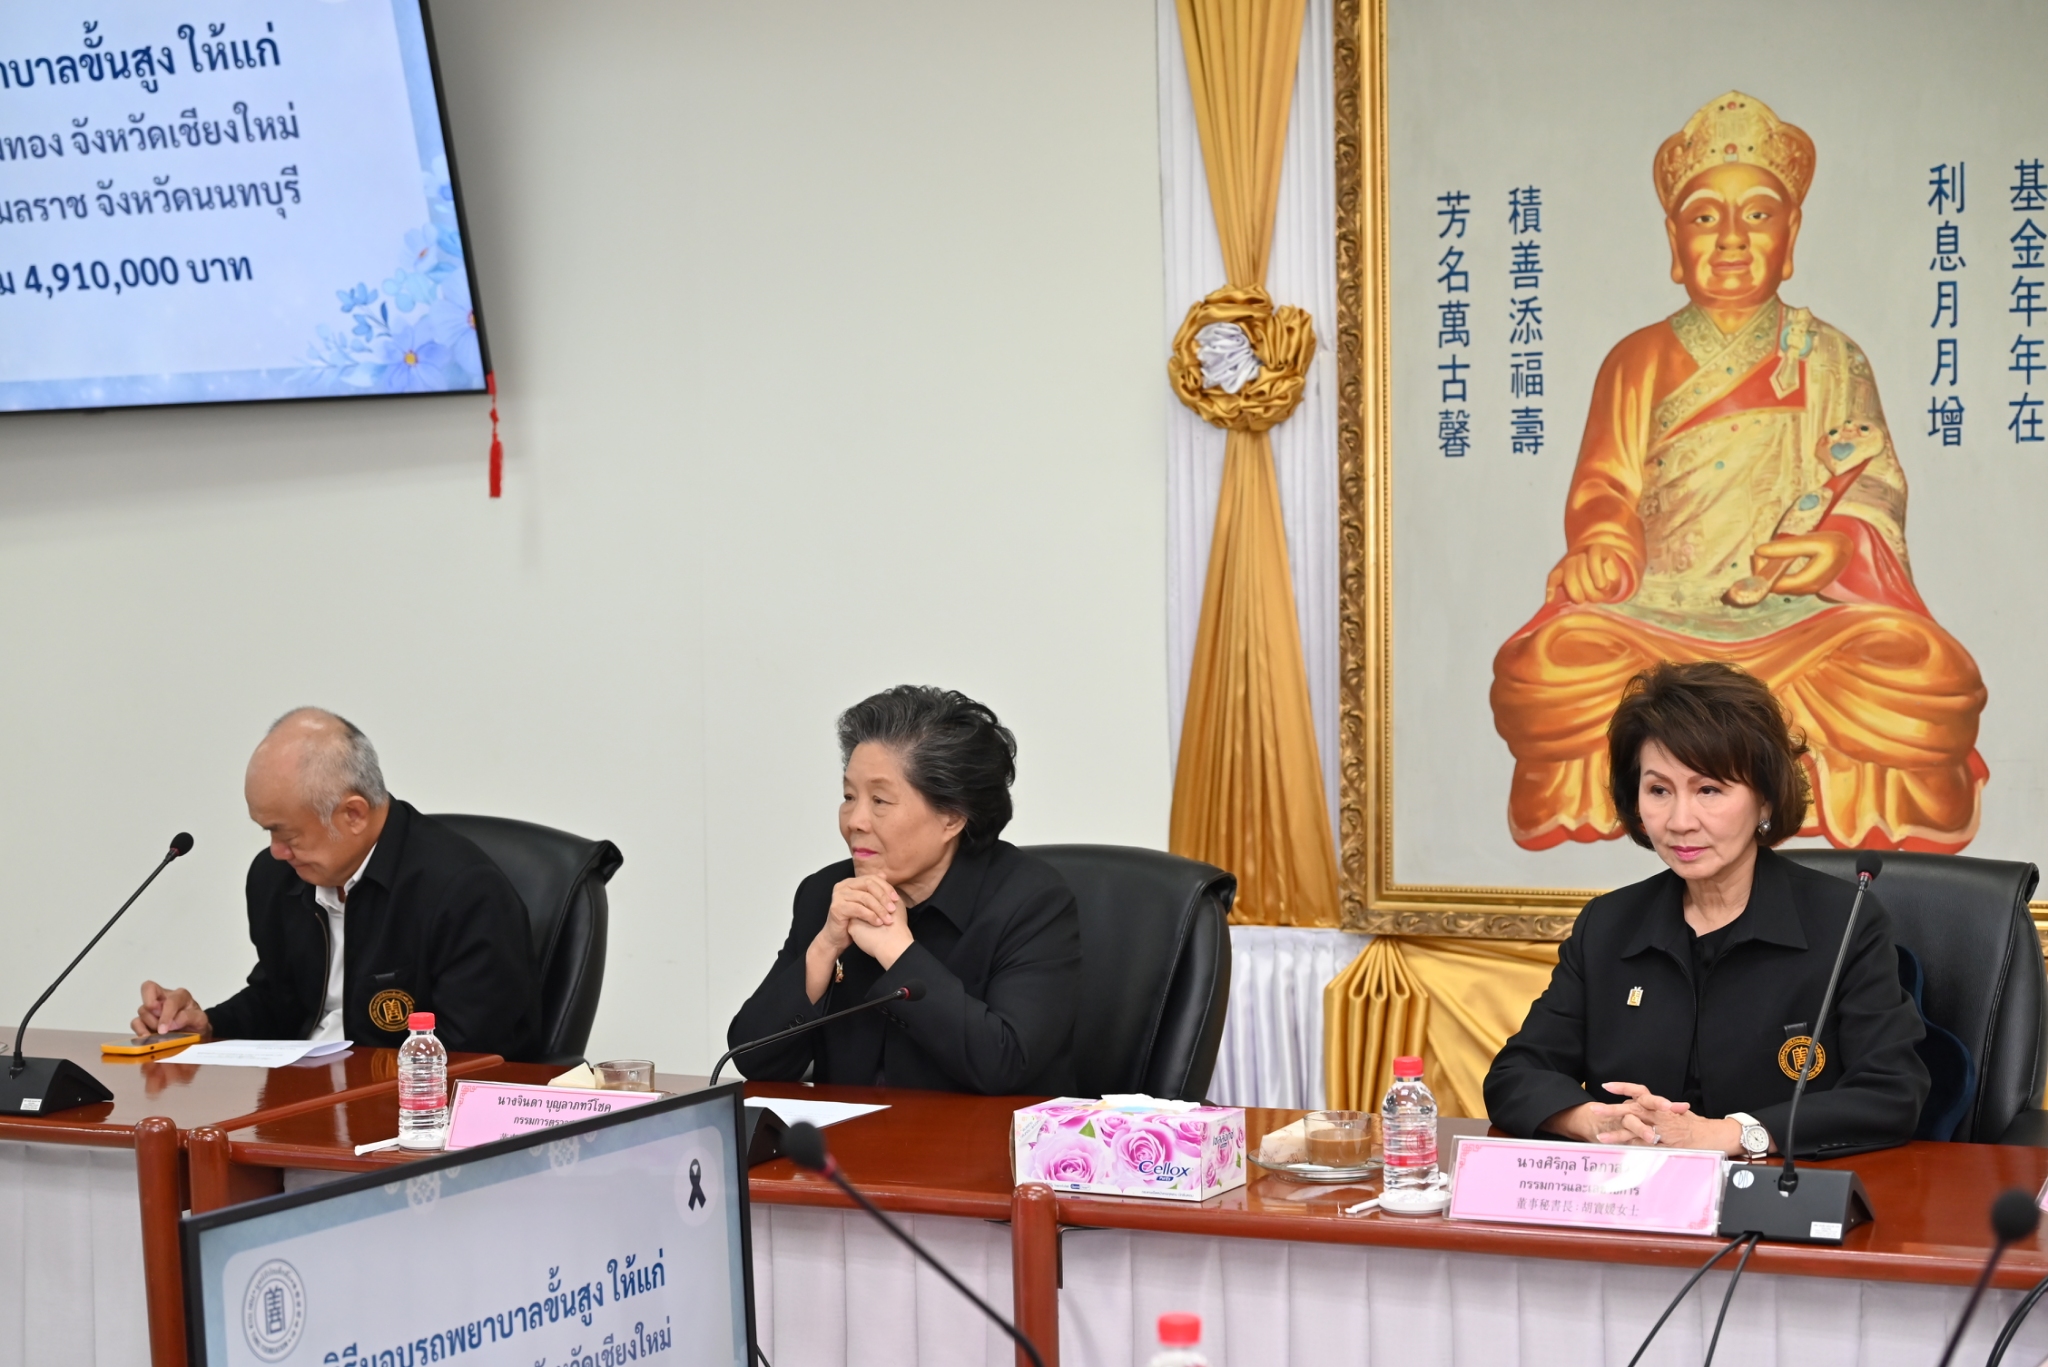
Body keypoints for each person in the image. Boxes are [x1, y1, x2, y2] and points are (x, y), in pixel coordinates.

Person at [1489, 91, 1986, 854]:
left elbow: (1875, 483)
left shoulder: (1831, 356)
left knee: (1926, 676)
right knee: (1545, 669)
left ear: (1791, 234)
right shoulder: (1635, 360)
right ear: (1674, 238)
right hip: (1654, 619)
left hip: (1800, 622)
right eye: (1703, 217)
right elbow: (1605, 488)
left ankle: (1769, 770)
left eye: (1757, 214)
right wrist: (1604, 549)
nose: (1729, 238)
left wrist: (1840, 550)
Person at [1484, 661, 1928, 1159]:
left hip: (1777, 1195)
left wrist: (1730, 1135)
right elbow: (1515, 1075)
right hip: (1635, 1193)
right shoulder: (1608, 925)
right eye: (1658, 790)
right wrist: (1594, 1121)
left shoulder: (1843, 920)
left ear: (1765, 800)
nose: (1680, 821)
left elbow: (1892, 1091)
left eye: (1709, 790)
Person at [727, 686, 1080, 1093]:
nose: (855, 820)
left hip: (986, 1134)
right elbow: (753, 1058)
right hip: (850, 1132)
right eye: (849, 796)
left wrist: (898, 953)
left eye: (880, 801)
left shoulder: (1031, 903)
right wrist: (825, 948)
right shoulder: (828, 893)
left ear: (951, 817)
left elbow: (1007, 1064)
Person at [132, 708, 541, 1059]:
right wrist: (207, 1024)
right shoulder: (275, 879)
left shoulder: (465, 893)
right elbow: (281, 1000)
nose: (276, 851)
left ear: (353, 815)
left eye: (287, 834)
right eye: (267, 831)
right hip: (299, 1101)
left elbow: (475, 1055)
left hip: (402, 1111)